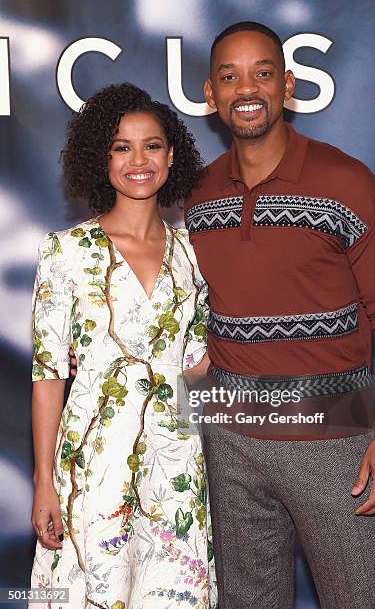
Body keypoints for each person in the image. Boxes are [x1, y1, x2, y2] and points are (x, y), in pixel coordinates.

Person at [183, 22, 375, 609]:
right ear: (210, 95)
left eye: (263, 73)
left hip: (335, 432)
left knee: (364, 600)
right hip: (228, 436)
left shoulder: (345, 181)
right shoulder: (199, 193)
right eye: (229, 76)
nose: (247, 88)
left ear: (287, 85)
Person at [30, 83, 216, 608]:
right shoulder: (65, 252)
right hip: (92, 459)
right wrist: (45, 481)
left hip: (176, 463)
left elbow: (198, 366)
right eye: (121, 147)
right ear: (102, 158)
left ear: (172, 154)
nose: (139, 160)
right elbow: (48, 376)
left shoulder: (194, 252)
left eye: (152, 145)